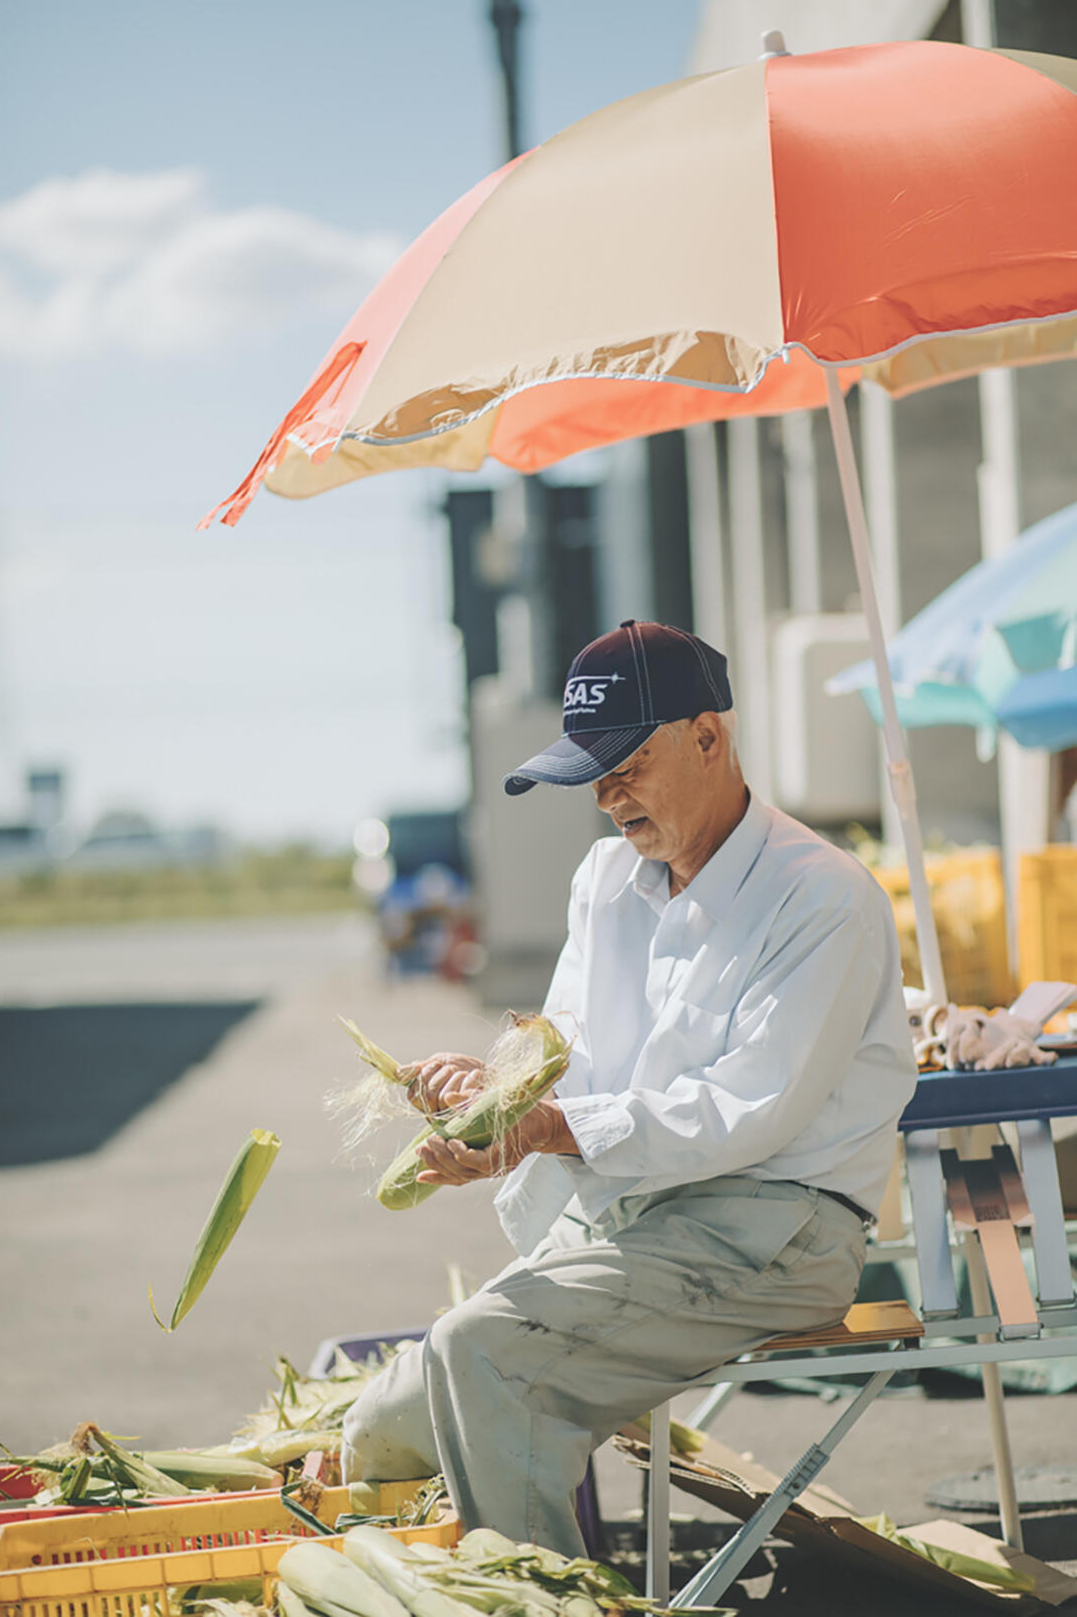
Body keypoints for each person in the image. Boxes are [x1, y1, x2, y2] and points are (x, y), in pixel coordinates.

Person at [342, 619, 917, 1555]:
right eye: (592, 775)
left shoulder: (823, 894)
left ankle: (543, 1596)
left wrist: (547, 1129)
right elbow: (564, 1049)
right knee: (380, 1426)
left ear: (707, 738)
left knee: (482, 1356)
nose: (609, 796)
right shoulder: (607, 877)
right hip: (640, 1217)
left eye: (626, 765)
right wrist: (489, 1093)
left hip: (774, 1230)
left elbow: (748, 1111)